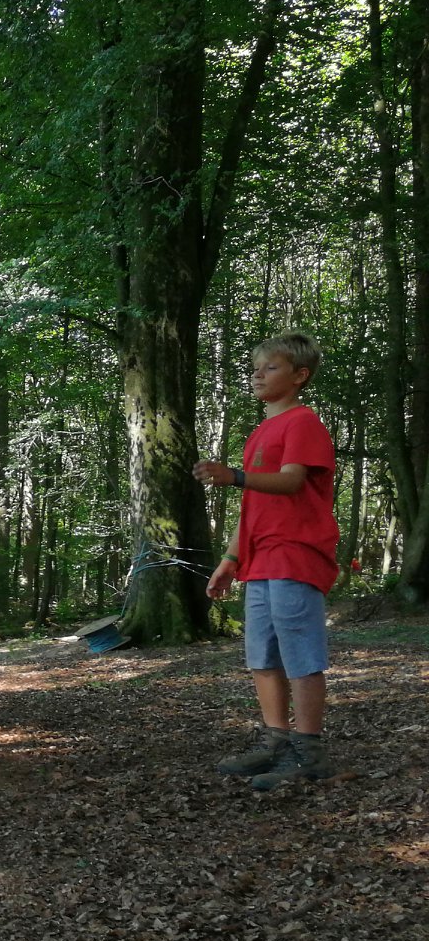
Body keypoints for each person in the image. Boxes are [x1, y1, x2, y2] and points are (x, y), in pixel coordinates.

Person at [192, 332, 338, 790]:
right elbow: (254, 505)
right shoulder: (260, 431)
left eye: (270, 367)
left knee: (300, 653)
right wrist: (231, 558)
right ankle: (277, 742)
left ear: (299, 376)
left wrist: (234, 476)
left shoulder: (303, 423)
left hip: (295, 553)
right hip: (258, 559)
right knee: (261, 655)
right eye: (256, 367)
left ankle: (309, 749)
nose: (257, 374)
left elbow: (291, 482)